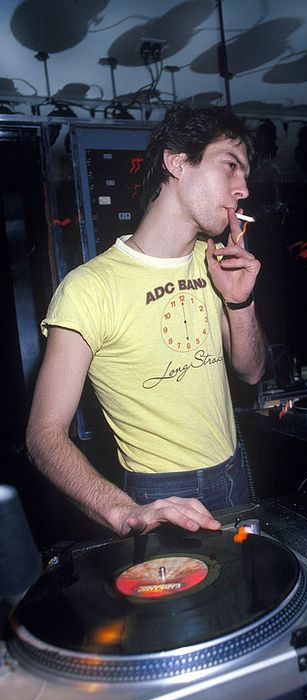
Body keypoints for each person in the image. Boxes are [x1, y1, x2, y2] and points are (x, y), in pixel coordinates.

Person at [26, 105, 266, 538]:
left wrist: (240, 302)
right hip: (161, 491)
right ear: (177, 161)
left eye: (244, 175)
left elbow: (251, 371)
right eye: (231, 165)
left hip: (235, 465)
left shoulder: (215, 262)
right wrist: (123, 511)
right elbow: (44, 435)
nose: (243, 188)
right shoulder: (89, 288)